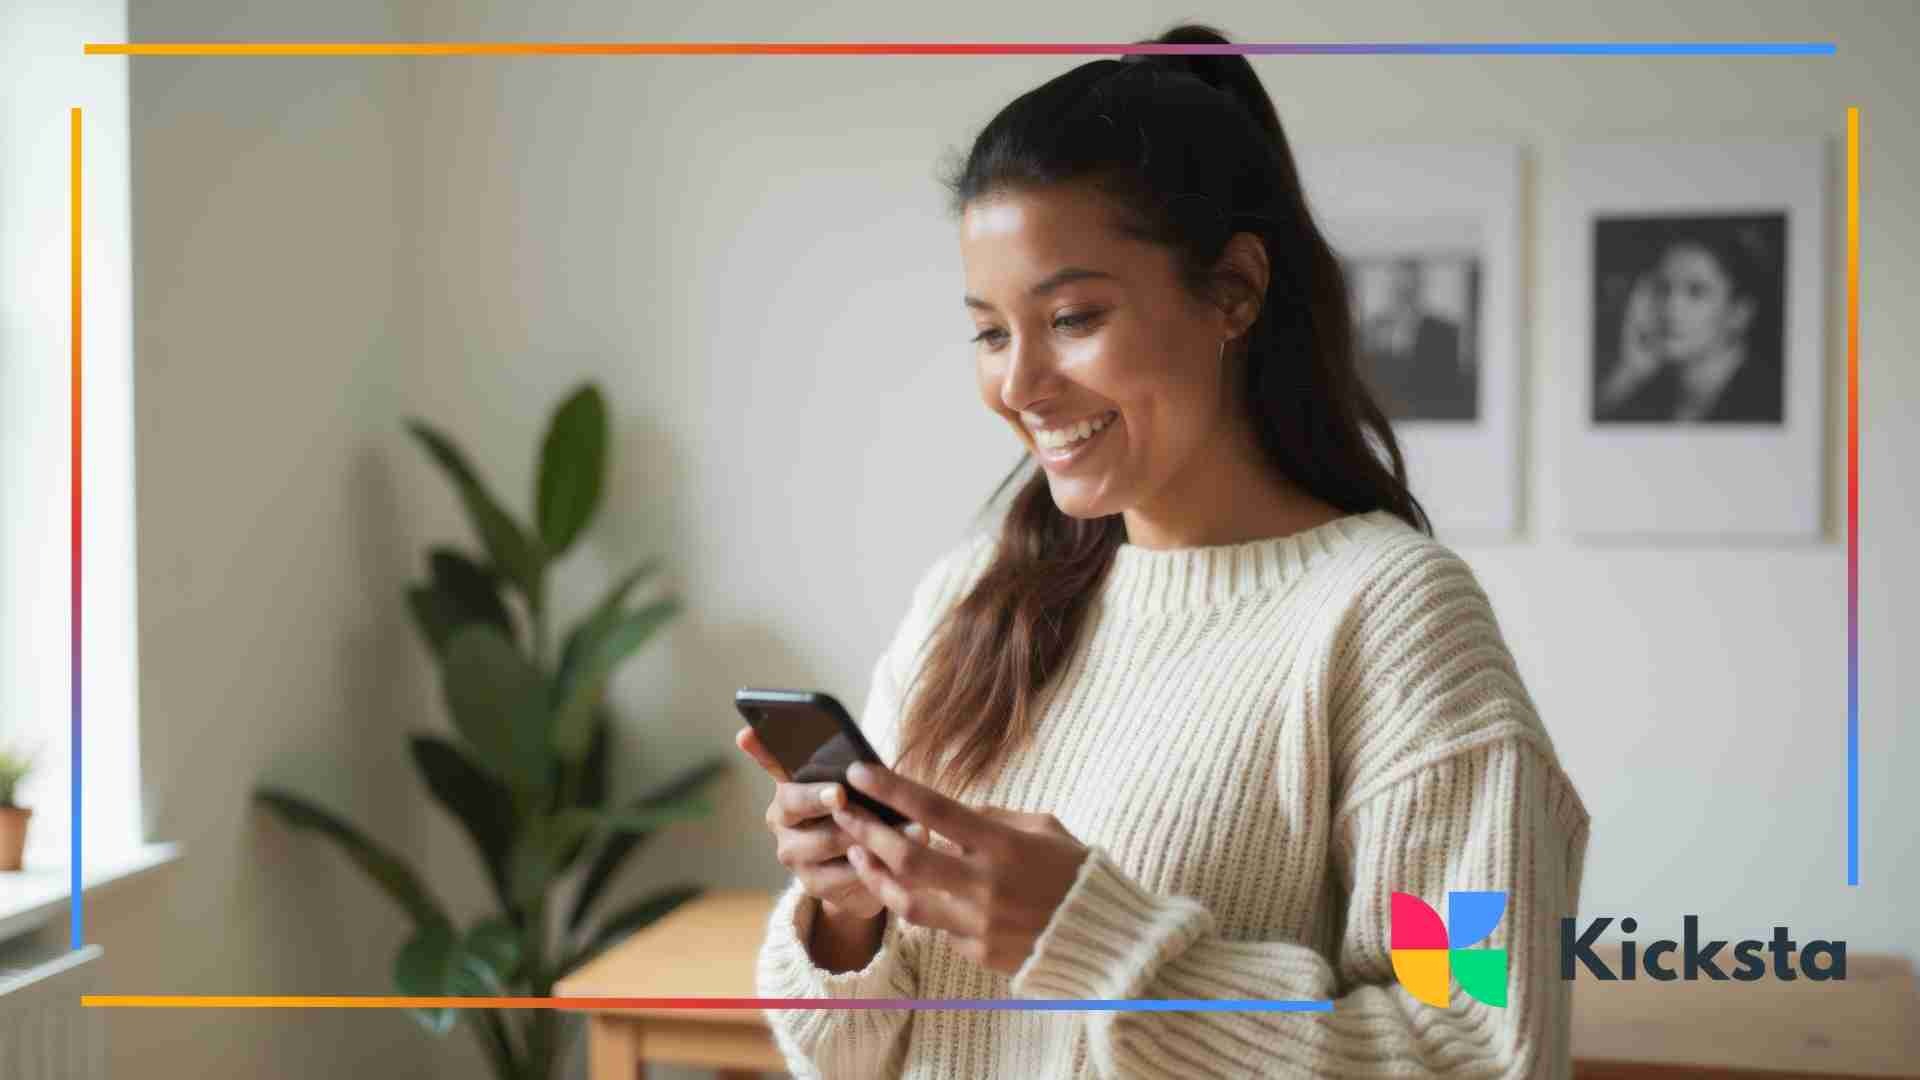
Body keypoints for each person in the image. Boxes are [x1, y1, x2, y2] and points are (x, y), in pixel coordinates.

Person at [739, 22, 1590, 1079]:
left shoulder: (1387, 621)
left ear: (1233, 290)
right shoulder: (973, 600)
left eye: (1073, 316)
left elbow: (1475, 1042)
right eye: (992, 332)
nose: (1019, 385)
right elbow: (848, 1054)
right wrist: (845, 915)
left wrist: (1096, 945)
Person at [1595, 220, 1782, 423]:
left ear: (1739, 312)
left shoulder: (1769, 402)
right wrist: (1629, 373)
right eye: (1662, 288)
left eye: (1696, 292)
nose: (1669, 309)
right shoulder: (1650, 388)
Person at [1357, 258, 1476, 420]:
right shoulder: (1372, 330)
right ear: (1391, 289)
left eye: (1409, 289)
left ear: (1419, 288)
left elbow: (1447, 389)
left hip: (1428, 418)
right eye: (1398, 288)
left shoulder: (1444, 331)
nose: (1403, 295)